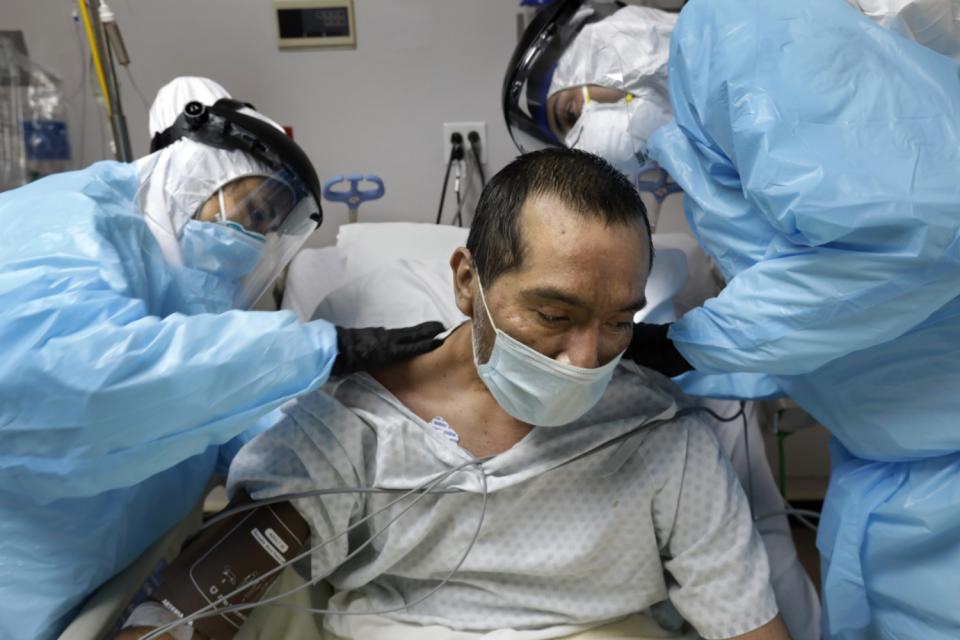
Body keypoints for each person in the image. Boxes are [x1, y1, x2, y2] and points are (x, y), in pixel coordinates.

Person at [123, 149, 789, 640]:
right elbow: (203, 593)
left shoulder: (661, 434)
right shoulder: (357, 425)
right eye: (553, 316)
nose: (585, 359)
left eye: (617, 322)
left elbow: (744, 621)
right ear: (468, 283)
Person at [504, 1, 960, 639]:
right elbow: (832, 293)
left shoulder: (744, 24)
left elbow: (902, 239)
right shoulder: (709, 131)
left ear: (611, 49)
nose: (582, 139)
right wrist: (704, 370)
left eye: (573, 113)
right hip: (895, 463)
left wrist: (696, 347)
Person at [0, 76, 441, 640]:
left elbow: (219, 407)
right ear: (194, 175)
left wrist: (332, 427)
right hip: (27, 583)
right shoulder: (65, 222)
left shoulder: (187, 278)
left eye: (267, 224)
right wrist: (325, 349)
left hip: (105, 573)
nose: (253, 237)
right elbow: (88, 387)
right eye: (251, 209)